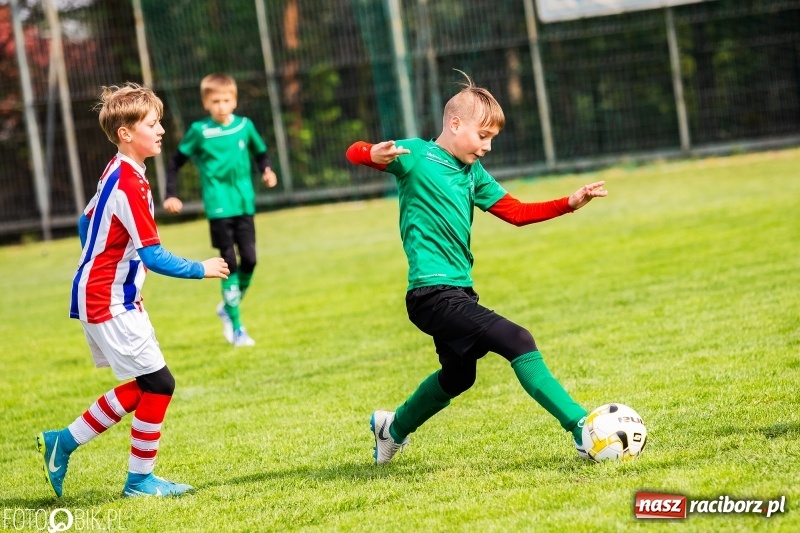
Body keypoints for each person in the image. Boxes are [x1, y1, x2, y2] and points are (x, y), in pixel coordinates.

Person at [345, 71, 608, 465]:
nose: (487, 147)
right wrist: (371, 154)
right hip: (430, 294)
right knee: (518, 339)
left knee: (459, 377)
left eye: (492, 140)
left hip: (459, 291)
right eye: (482, 136)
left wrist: (567, 203)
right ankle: (581, 428)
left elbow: (515, 212)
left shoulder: (472, 173)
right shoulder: (415, 155)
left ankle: (392, 428)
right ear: (454, 124)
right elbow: (353, 151)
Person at [37, 83, 230, 498]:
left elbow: (85, 223)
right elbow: (154, 255)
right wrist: (202, 268)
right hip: (108, 300)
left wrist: (97, 261)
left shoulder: (117, 169)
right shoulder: (131, 184)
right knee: (160, 384)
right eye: (152, 123)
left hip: (102, 294)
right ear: (126, 133)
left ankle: (61, 443)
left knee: (148, 385)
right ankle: (138, 481)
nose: (161, 130)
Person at [162, 73, 278, 347]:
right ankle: (238, 329)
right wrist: (170, 195)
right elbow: (175, 163)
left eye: (226, 100)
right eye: (215, 101)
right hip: (218, 207)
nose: (221, 106)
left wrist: (267, 170)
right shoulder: (200, 132)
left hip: (244, 204)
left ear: (234, 101)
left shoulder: (244, 126)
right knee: (230, 265)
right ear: (206, 103)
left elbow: (261, 153)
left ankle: (228, 307)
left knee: (250, 260)